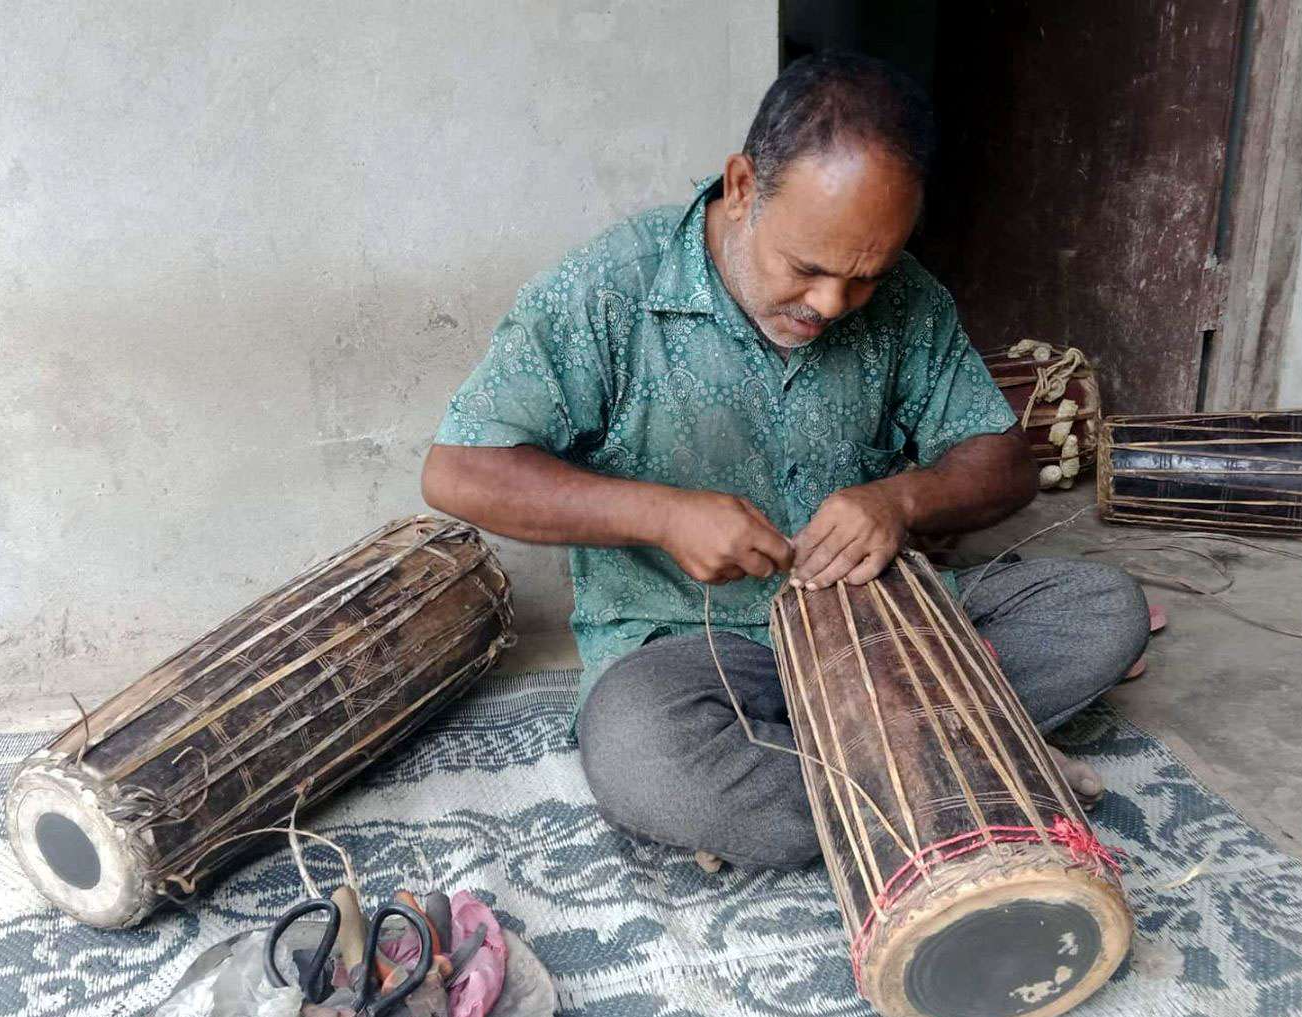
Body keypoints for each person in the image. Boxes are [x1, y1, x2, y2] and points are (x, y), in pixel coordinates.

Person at [422, 53, 1148, 869]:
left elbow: (1002, 462)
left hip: (884, 632)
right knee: (647, 757)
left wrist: (901, 502)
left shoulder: (908, 296)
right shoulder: (607, 289)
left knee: (1100, 610)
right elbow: (459, 469)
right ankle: (957, 762)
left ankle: (865, 775)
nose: (830, 305)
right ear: (741, 186)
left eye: (862, 279)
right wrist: (661, 515)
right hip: (694, 653)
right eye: (805, 268)